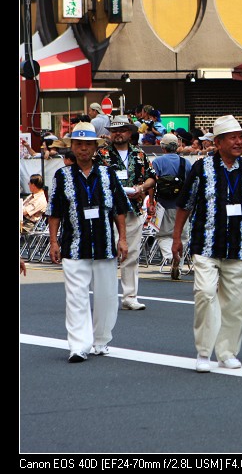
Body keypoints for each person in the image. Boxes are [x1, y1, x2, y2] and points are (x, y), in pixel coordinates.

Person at [172, 115, 242, 372]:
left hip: (239, 246)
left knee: (236, 303)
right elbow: (185, 204)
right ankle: (204, 352)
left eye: (241, 137)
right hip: (205, 244)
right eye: (233, 137)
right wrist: (176, 237)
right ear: (218, 143)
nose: (240, 142)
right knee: (206, 294)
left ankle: (227, 352)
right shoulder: (201, 168)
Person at [47, 121, 129, 362]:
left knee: (106, 296)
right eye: (79, 144)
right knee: (76, 297)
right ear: (72, 147)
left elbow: (119, 209)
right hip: (73, 245)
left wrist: (122, 238)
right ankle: (79, 345)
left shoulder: (107, 174)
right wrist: (53, 241)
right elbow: (55, 212)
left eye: (88, 145)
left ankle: (101, 339)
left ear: (95, 147)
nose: (83, 149)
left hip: (104, 245)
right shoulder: (62, 176)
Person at [95, 115, 157, 311]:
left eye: (121, 130)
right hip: (108, 211)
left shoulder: (139, 154)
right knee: (108, 254)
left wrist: (141, 188)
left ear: (130, 133)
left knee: (131, 254)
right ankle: (107, 295)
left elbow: (152, 177)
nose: (117, 134)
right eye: (114, 131)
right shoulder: (101, 154)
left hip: (134, 209)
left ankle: (130, 296)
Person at [151, 133, 190, 276]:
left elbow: (152, 183)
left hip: (162, 204)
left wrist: (151, 201)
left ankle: (169, 256)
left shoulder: (157, 162)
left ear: (163, 147)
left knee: (163, 234)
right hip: (182, 205)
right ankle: (178, 264)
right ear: (177, 146)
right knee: (183, 236)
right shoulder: (186, 163)